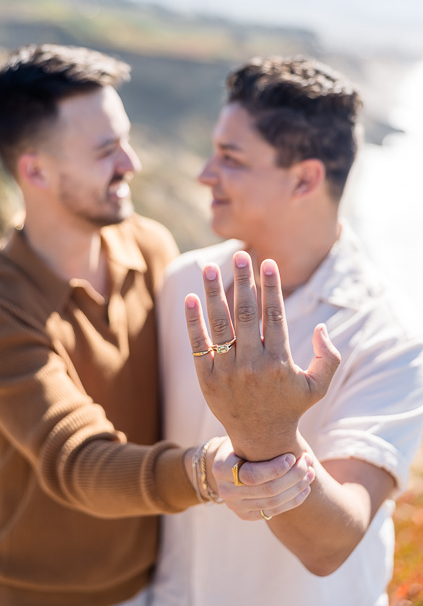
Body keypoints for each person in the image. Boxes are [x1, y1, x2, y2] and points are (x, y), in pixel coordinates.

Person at [0, 45, 316, 606]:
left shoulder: (149, 246)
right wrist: (208, 473)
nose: (131, 163)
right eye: (105, 151)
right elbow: (76, 461)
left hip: (150, 586)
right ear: (36, 170)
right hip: (29, 595)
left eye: (125, 139)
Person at [152, 56, 423, 606]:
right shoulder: (185, 280)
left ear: (305, 178)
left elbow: (334, 542)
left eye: (230, 158)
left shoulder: (387, 334)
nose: (206, 173)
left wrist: (268, 433)